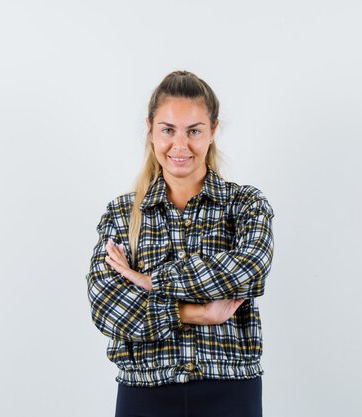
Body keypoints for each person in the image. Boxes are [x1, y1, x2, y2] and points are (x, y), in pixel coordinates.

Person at [85, 70, 275, 417]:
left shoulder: (246, 204)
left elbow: (249, 268)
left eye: (194, 131)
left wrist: (150, 281)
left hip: (230, 388)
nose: (180, 145)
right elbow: (106, 307)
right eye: (168, 130)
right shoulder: (122, 214)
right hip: (144, 390)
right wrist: (193, 312)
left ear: (213, 131)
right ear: (150, 129)